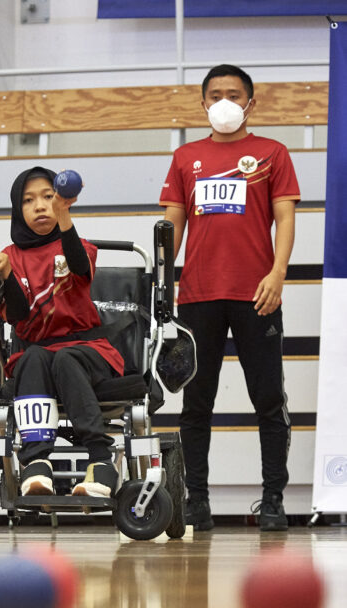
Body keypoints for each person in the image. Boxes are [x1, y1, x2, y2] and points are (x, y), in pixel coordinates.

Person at [159, 64, 300, 532]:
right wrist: (162, 281)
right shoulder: (184, 158)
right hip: (198, 296)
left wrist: (278, 274)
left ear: (250, 103)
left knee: (267, 399)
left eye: (234, 94)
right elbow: (172, 226)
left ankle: (274, 500)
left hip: (257, 295)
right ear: (203, 103)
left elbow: (284, 218)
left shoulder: (272, 153)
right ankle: (196, 500)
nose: (225, 101)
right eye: (215, 94)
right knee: (196, 402)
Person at [0, 166, 122, 498]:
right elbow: (17, 315)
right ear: (18, 208)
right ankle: (36, 464)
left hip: (88, 352)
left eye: (47, 197)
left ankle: (101, 462)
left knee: (64, 358)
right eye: (29, 200)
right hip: (37, 357)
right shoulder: (7, 257)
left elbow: (80, 268)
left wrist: (64, 215)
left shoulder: (80, 245)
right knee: (31, 357)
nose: (40, 206)